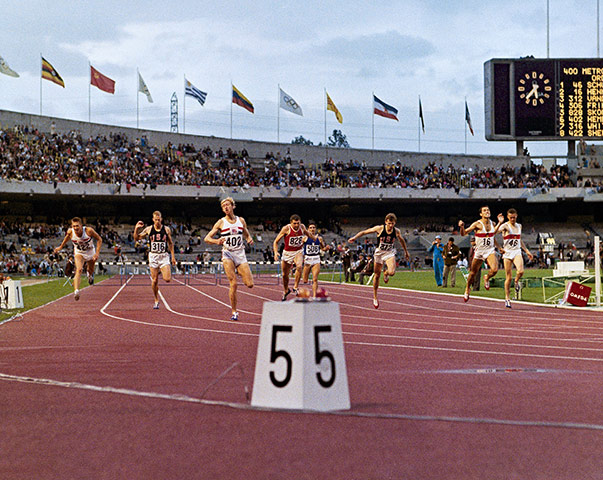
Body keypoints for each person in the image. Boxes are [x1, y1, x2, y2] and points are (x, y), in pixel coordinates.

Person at [204, 197, 254, 320]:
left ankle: (240, 270)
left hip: (240, 254)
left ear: (233, 206)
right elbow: (207, 238)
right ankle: (234, 311)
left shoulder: (241, 220)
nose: (226, 207)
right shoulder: (221, 222)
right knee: (234, 283)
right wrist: (216, 241)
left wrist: (249, 239)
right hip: (228, 254)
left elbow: (246, 232)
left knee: (250, 284)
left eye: (227, 205)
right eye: (223, 206)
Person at [348, 213, 410, 309]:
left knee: (392, 272)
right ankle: (375, 297)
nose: (391, 226)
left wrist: (406, 252)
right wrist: (355, 237)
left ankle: (386, 273)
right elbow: (364, 232)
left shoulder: (396, 231)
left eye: (392, 223)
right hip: (379, 253)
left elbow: (402, 240)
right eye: (389, 223)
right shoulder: (380, 228)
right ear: (386, 222)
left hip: (389, 253)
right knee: (376, 275)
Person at [458, 206, 503, 302]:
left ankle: (486, 277)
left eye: (488, 210)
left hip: (489, 250)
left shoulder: (493, 223)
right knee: (473, 273)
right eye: (485, 211)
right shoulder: (477, 224)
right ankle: (467, 289)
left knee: (495, 270)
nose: (487, 212)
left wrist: (499, 223)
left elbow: (492, 236)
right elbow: (463, 233)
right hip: (479, 251)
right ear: (481, 214)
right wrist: (461, 227)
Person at [133, 211, 177, 309]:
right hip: (153, 256)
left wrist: (173, 257)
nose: (157, 221)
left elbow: (170, 243)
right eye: (155, 220)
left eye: (159, 219)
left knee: (167, 279)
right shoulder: (149, 229)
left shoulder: (166, 229)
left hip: (163, 255)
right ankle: (156, 299)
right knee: (155, 280)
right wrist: (136, 229)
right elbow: (136, 238)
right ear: (153, 220)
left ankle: (161, 270)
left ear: (161, 219)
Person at [53, 217, 102, 301]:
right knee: (78, 269)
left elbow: (99, 239)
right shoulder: (70, 232)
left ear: (81, 225)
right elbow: (67, 238)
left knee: (90, 269)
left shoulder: (88, 231)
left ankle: (89, 275)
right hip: (79, 252)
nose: (75, 228)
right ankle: (76, 291)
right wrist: (60, 247)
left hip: (90, 252)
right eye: (74, 226)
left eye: (77, 226)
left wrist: (97, 253)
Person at [273, 214, 316, 301]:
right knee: (285, 275)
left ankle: (295, 287)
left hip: (298, 251)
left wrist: (315, 239)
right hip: (287, 253)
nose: (296, 225)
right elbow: (276, 241)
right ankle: (286, 290)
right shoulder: (286, 228)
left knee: (299, 266)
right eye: (295, 223)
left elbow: (308, 234)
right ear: (291, 223)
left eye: (298, 223)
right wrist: (275, 252)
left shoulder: (302, 227)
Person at [497, 208, 534, 308]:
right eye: (510, 217)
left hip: (517, 251)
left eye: (514, 217)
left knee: (521, 271)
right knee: (508, 277)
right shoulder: (505, 226)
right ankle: (507, 298)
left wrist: (527, 251)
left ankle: (516, 281)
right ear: (508, 217)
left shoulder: (519, 226)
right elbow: (494, 233)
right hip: (507, 252)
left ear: (516, 216)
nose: (512, 219)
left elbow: (519, 240)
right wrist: (499, 223)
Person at [301, 220, 331, 297]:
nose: (312, 229)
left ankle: (314, 296)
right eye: (310, 228)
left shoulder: (319, 238)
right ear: (308, 229)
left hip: (316, 258)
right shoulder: (305, 238)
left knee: (315, 279)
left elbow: (322, 248)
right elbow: (299, 247)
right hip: (307, 259)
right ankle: (303, 293)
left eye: (314, 227)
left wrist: (326, 248)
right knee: (305, 280)